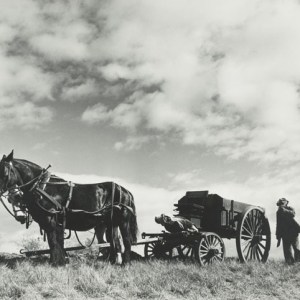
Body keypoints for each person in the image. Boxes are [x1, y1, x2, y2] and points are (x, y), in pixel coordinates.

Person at [276, 198, 300, 264]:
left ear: (286, 203)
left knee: (296, 248)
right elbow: (278, 225)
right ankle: (290, 264)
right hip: (285, 233)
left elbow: (293, 214)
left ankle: (298, 262)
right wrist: (278, 238)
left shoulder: (290, 208)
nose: (281, 205)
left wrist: (283, 210)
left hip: (293, 232)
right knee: (287, 251)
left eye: (282, 203)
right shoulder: (278, 212)